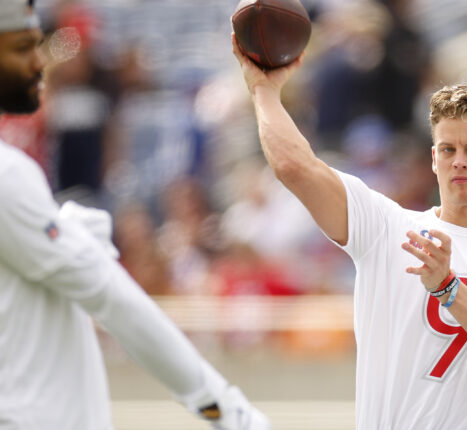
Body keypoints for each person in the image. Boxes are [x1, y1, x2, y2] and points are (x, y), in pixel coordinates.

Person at [232, 31, 467, 428]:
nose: (459, 161)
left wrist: (449, 289)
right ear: (433, 159)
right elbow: (297, 168)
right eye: (448, 149)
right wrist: (263, 91)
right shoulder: (386, 227)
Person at [0, 2, 269, 428]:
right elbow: (110, 295)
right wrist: (228, 410)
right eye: (20, 48)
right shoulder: (8, 177)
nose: (40, 61)